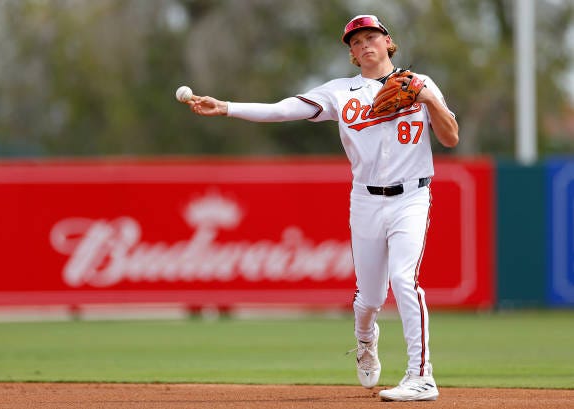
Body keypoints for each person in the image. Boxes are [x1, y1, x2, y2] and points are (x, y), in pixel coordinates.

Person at [187, 14, 459, 402]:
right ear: (351, 53)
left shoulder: (422, 84)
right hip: (366, 199)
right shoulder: (340, 92)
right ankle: (366, 340)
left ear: (387, 41)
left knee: (404, 280)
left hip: (412, 197)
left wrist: (429, 98)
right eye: (355, 42)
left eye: (371, 37)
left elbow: (450, 138)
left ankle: (421, 375)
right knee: (368, 299)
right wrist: (227, 106)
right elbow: (282, 110)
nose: (364, 45)